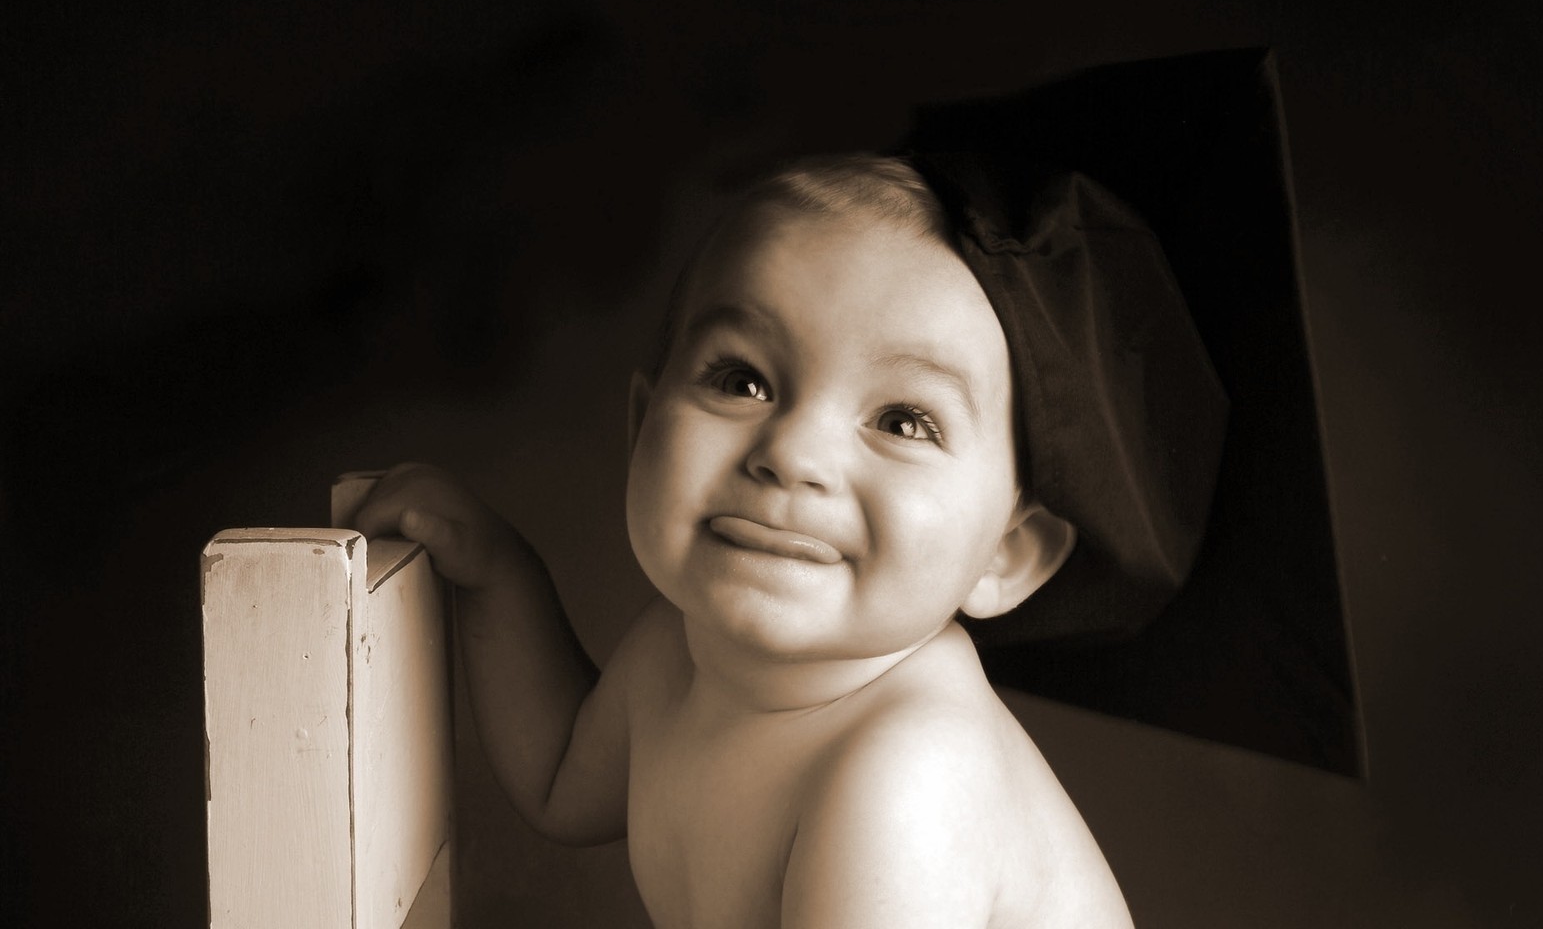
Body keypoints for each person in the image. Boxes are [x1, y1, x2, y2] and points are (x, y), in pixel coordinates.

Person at [355, 154, 1142, 927]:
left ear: (1008, 555)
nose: (794, 452)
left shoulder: (907, 776)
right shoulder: (676, 651)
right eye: (742, 381)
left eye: (903, 422)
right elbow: (564, 778)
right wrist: (496, 569)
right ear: (642, 430)